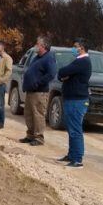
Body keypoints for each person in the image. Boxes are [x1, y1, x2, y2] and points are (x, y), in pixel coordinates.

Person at [57, 38, 92, 168]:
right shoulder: (78, 61)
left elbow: (62, 71)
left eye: (75, 46)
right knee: (71, 129)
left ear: (81, 48)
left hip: (77, 101)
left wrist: (66, 75)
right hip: (72, 99)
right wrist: (65, 76)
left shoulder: (82, 62)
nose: (73, 49)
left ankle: (77, 159)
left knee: (75, 130)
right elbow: (62, 75)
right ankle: (71, 155)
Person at [20, 36, 56, 146]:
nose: (35, 46)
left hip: (39, 92)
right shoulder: (37, 57)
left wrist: (38, 83)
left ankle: (39, 138)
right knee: (29, 114)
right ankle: (30, 135)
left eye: (37, 44)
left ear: (43, 46)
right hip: (31, 91)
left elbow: (51, 74)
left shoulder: (48, 58)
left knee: (38, 114)